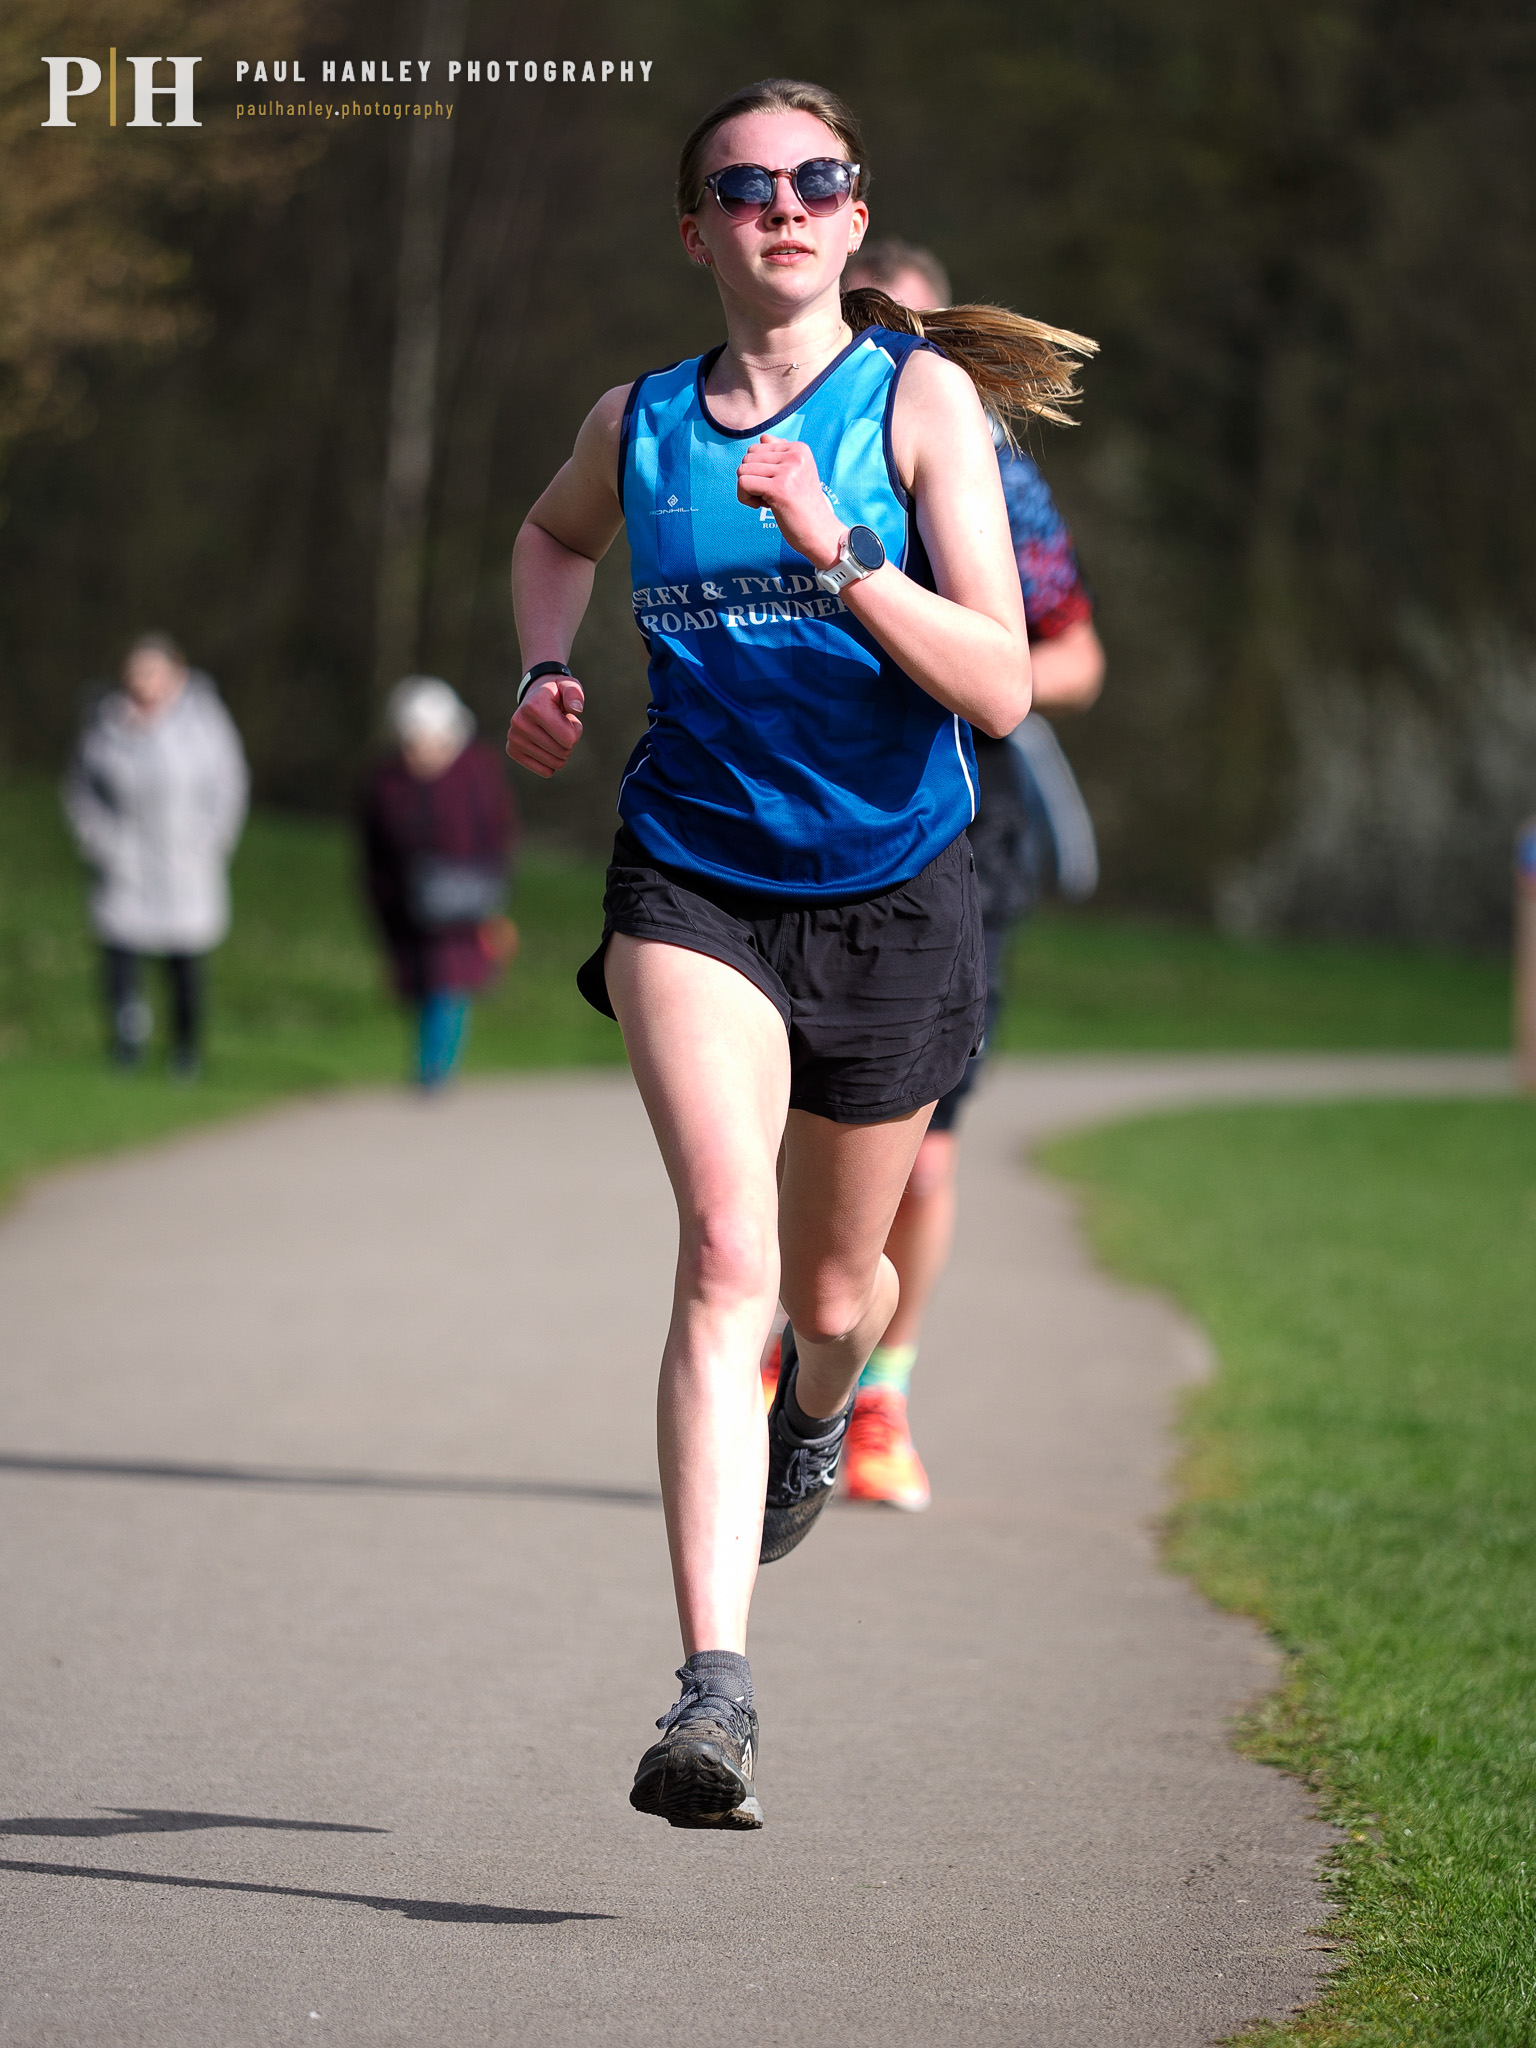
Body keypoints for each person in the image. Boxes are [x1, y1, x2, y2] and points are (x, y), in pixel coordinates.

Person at [505, 77, 1093, 1831]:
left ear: (851, 219)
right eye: (742, 183)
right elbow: (550, 540)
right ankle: (714, 1690)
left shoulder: (917, 404)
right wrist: (542, 670)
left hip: (901, 895)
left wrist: (836, 553)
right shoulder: (639, 422)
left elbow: (998, 681)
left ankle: (819, 1420)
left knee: (835, 1305)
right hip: (693, 876)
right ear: (696, 230)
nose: (782, 202)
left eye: (815, 178)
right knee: (723, 1252)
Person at [811, 238, 1107, 1511]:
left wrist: (974, 664)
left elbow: (1071, 657)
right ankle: (814, 1329)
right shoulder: (776, 446)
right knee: (802, 1138)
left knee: (922, 1148)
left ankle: (878, 1391)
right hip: (804, 801)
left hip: (965, 820)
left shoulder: (1002, 476)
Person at [62, 632, 249, 1077]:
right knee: (120, 961)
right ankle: (127, 1045)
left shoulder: (204, 723)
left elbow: (229, 785)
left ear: (176, 676)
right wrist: (98, 842)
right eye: (136, 672)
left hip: (187, 862)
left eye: (153, 672)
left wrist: (211, 841)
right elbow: (80, 791)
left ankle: (186, 1049)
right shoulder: (104, 724)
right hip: (124, 863)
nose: (144, 682)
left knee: (184, 963)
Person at [361, 676, 518, 1089]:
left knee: (448, 984)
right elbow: (373, 847)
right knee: (419, 984)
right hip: (406, 904)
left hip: (465, 900)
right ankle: (429, 1064)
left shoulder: (476, 772)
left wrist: (492, 889)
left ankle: (433, 1070)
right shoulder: (385, 784)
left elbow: (498, 832)